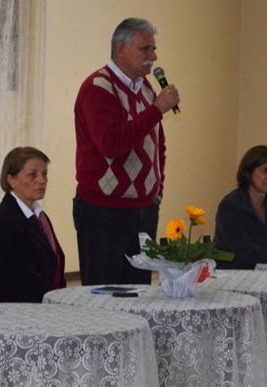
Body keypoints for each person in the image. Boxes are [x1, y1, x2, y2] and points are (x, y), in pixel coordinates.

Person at [73, 17, 180, 285]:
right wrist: (157, 109)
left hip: (144, 211)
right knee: (104, 294)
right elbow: (112, 144)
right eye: (145, 49)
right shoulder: (98, 88)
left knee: (139, 292)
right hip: (104, 212)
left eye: (153, 49)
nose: (153, 56)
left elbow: (157, 144)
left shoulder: (145, 88)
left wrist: (157, 191)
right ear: (121, 49)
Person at [0, 147, 65, 303]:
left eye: (44, 174)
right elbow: (19, 280)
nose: (42, 180)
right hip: (9, 313)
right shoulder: (4, 222)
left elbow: (54, 264)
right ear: (11, 180)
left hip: (41, 306)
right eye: (33, 175)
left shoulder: (40, 216)